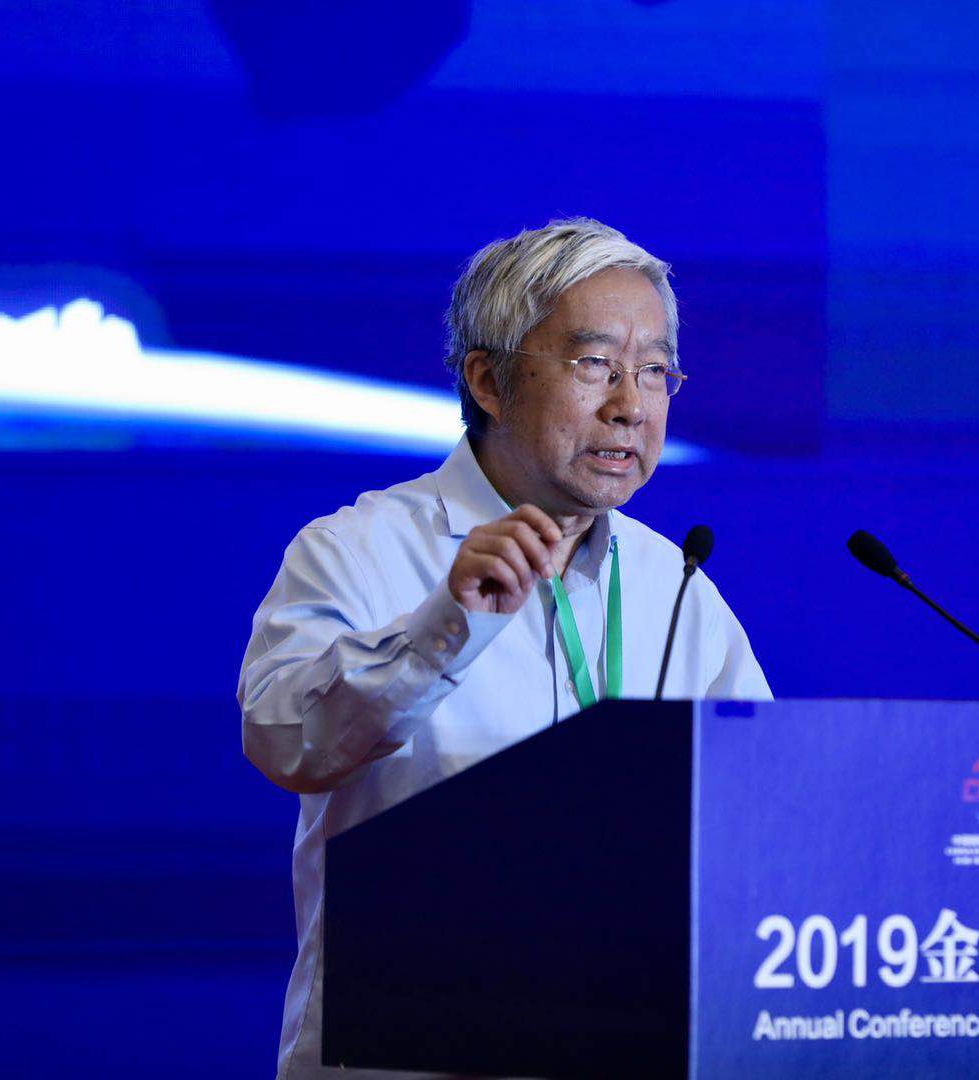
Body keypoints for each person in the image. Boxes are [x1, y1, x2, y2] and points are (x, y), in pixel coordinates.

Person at [238, 217, 770, 1079]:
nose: (631, 405)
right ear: (488, 380)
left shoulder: (675, 584)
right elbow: (284, 741)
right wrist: (444, 626)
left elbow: (764, 806)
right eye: (594, 364)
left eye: (654, 371)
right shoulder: (357, 550)